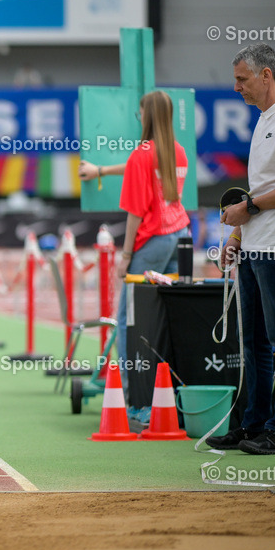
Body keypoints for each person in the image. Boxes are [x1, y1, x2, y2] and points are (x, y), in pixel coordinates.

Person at [209, 43, 275, 455]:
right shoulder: (267, 117)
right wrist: (237, 236)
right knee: (256, 345)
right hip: (255, 247)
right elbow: (262, 190)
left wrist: (251, 208)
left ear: (267, 75)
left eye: (242, 79)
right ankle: (254, 425)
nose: (236, 87)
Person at [105, 91, 192, 423]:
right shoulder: (179, 151)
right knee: (170, 320)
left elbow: (135, 213)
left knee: (131, 322)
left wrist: (125, 255)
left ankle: (137, 404)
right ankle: (172, 400)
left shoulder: (141, 155)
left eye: (141, 111)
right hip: (180, 235)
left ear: (147, 115)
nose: (138, 116)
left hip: (153, 241)